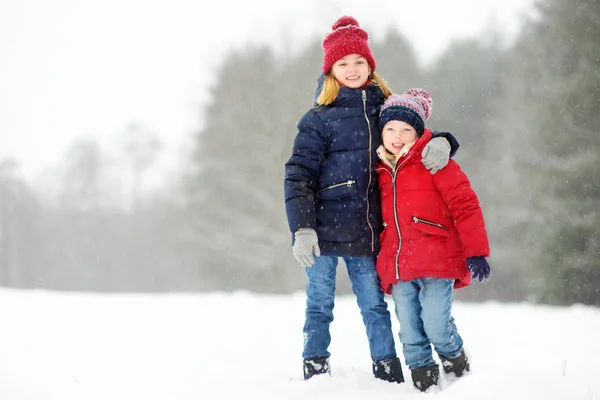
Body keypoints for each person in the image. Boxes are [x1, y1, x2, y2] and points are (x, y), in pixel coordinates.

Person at [283, 16, 460, 383]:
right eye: (343, 63)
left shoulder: (382, 109)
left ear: (370, 66)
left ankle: (387, 371)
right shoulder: (318, 118)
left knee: (374, 306)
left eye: (358, 62)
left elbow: (413, 130)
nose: (352, 69)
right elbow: (299, 173)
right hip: (321, 233)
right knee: (319, 305)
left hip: (366, 233)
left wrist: (445, 141)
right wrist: (302, 227)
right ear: (331, 70)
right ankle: (315, 367)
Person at [374, 88, 491, 392]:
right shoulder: (379, 170)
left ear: (418, 132)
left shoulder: (435, 162)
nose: (397, 136)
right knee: (410, 331)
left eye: (405, 129)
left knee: (437, 325)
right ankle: (424, 382)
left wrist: (476, 251)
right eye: (390, 129)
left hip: (438, 260)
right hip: (398, 265)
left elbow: (465, 204)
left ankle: (455, 361)